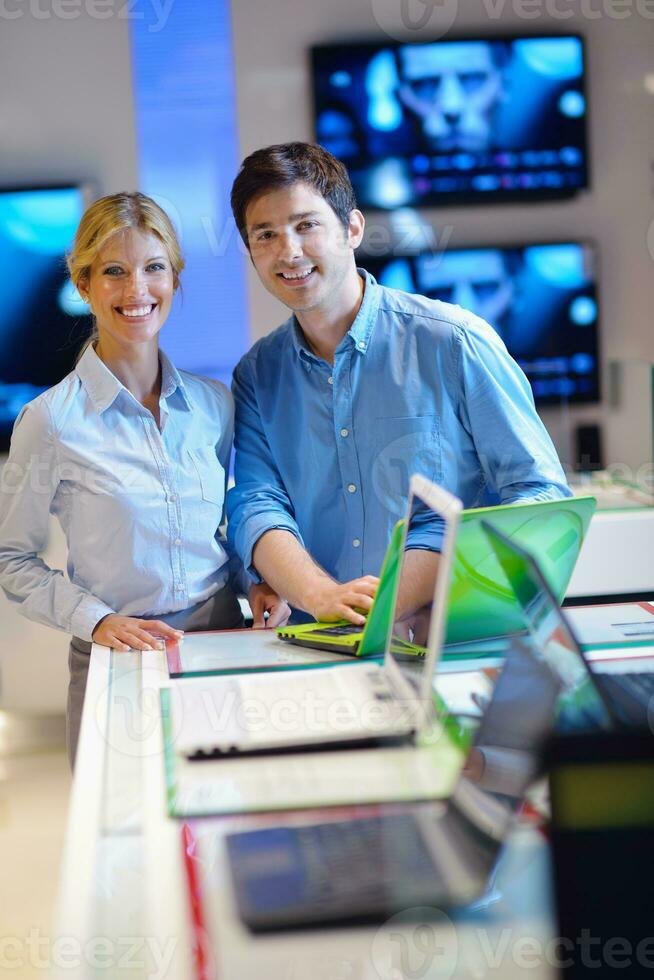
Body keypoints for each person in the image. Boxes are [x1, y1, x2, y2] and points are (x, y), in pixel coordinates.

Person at [226, 142, 571, 627]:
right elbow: (256, 504)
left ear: (352, 228)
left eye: (307, 225)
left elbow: (540, 494)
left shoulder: (453, 341)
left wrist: (415, 592)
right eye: (266, 235)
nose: (289, 251)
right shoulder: (257, 374)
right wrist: (322, 596)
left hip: (450, 643)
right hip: (320, 643)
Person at [0, 191, 288, 767]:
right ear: (83, 285)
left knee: (228, 811)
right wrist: (97, 620)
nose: (137, 290)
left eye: (154, 268)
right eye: (114, 272)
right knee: (118, 847)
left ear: (174, 281)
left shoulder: (213, 405)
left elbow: (223, 522)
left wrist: (257, 577)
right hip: (117, 658)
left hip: (220, 643)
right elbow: (12, 559)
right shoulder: (51, 421)